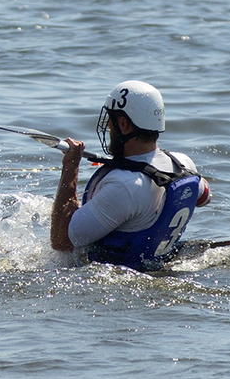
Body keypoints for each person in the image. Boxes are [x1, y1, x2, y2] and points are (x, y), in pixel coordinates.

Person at [49, 80, 212, 272]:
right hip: (161, 263)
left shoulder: (123, 186)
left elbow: (61, 241)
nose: (108, 126)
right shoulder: (183, 164)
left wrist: (70, 166)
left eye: (110, 119)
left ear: (124, 124)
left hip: (120, 278)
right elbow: (204, 197)